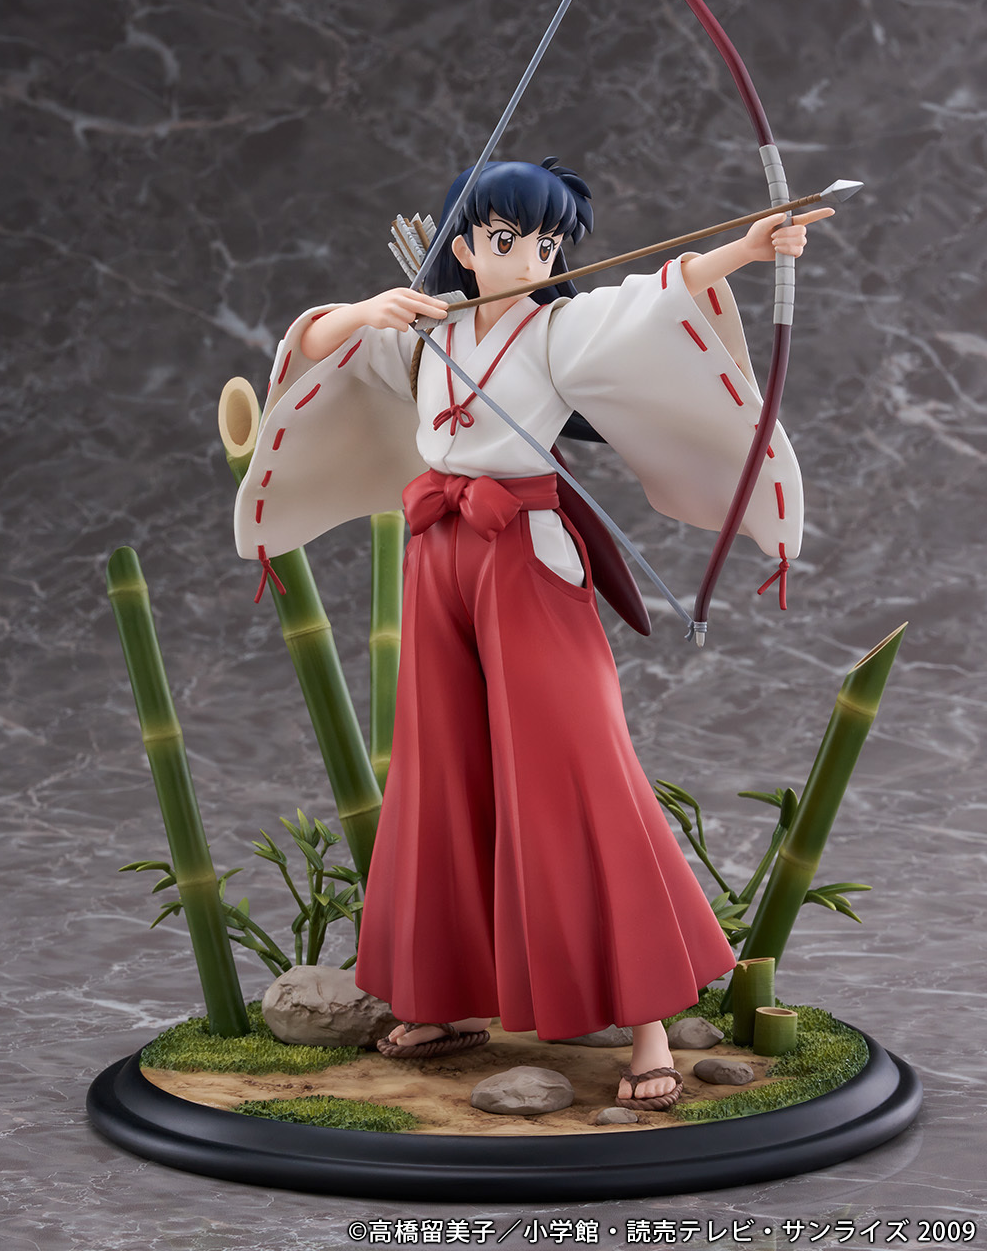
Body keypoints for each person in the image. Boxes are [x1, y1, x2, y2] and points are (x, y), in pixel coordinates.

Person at [234, 157, 831, 1109]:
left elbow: (656, 293)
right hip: (437, 553)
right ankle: (443, 998)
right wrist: (365, 312)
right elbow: (311, 348)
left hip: (523, 552)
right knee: (440, 769)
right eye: (506, 239)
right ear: (464, 246)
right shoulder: (426, 333)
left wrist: (749, 249)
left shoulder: (559, 328)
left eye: (548, 244)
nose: (530, 259)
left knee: (577, 767)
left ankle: (647, 1026)